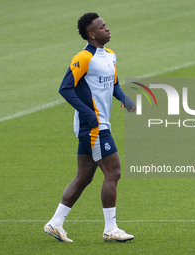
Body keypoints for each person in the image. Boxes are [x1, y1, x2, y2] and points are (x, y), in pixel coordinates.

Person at [44, 12, 136, 243]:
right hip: (93, 126)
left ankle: (55, 223)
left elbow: (113, 83)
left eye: (106, 25)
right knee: (113, 172)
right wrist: (87, 114)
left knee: (84, 177)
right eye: (102, 27)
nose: (107, 28)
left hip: (99, 122)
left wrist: (125, 99)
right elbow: (66, 88)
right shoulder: (83, 58)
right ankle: (111, 229)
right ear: (91, 34)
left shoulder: (110, 55)